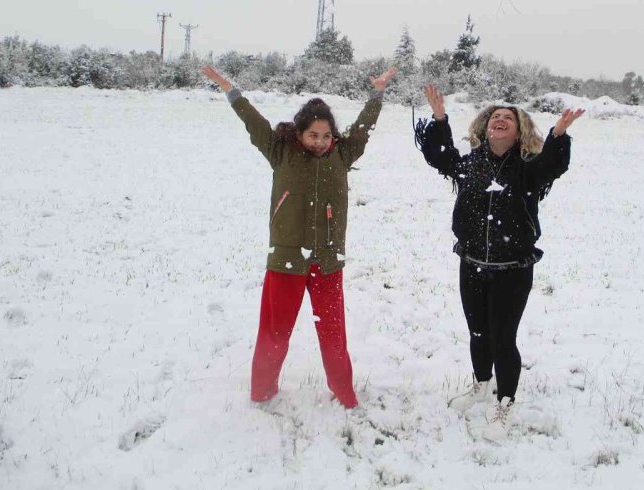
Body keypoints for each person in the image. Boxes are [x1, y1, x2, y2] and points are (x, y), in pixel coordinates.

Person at [202, 64, 397, 409]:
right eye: (313, 136)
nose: (320, 143)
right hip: (287, 259)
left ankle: (344, 394)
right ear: (299, 134)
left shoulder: (342, 153)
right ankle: (262, 392)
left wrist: (377, 94)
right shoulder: (281, 151)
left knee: (334, 337)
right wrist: (229, 89)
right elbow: (253, 121)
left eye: (326, 136)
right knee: (274, 334)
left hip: (327, 260)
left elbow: (364, 128)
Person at [416, 84, 584, 440]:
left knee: (503, 338)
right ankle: (480, 383)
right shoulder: (470, 164)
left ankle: (505, 401)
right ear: (485, 127)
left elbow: (554, 164)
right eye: (495, 117)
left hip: (513, 269)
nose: (501, 120)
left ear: (519, 130)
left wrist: (557, 135)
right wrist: (439, 118)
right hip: (472, 263)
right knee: (478, 333)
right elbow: (438, 154)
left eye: (509, 118)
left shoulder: (527, 169)